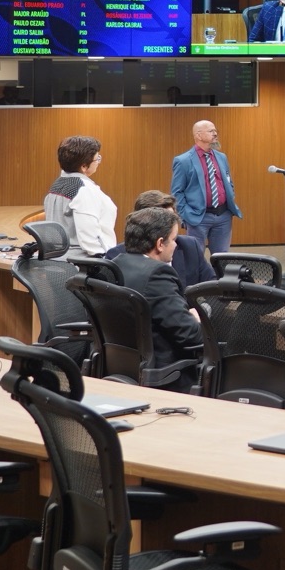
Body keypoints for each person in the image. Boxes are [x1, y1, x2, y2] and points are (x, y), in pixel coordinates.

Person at [110, 205, 203, 383]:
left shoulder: (114, 264)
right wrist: (197, 320)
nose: (176, 245)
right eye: (174, 239)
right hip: (165, 373)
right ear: (160, 244)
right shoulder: (157, 275)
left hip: (119, 367)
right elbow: (190, 336)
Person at [171, 119, 242, 256]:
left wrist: (230, 197)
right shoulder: (183, 161)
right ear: (198, 135)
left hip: (223, 216)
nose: (215, 134)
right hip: (198, 218)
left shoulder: (221, 157)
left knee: (222, 258)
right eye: (211, 131)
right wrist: (187, 215)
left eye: (215, 131)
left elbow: (228, 182)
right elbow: (177, 192)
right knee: (195, 257)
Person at [43, 135, 119, 256]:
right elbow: (90, 240)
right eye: (97, 159)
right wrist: (105, 259)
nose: (98, 162)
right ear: (84, 166)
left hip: (59, 258)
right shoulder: (84, 190)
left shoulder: (57, 185)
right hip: (84, 261)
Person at [131, 189, 218, 291]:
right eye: (165, 221)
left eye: (173, 218)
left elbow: (213, 288)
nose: (171, 225)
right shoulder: (121, 256)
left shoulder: (189, 247)